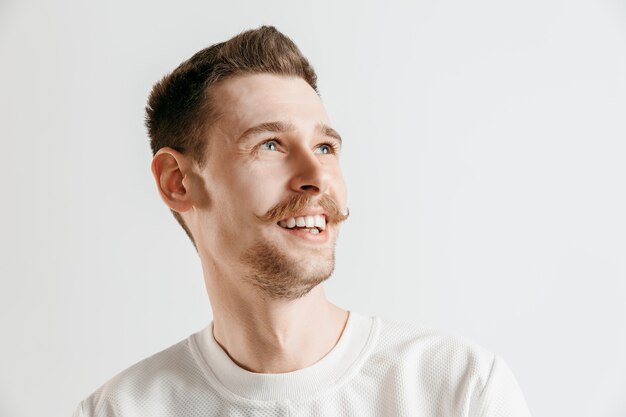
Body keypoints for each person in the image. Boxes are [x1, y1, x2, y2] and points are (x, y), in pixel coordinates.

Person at [72, 26, 532, 416]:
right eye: (270, 144)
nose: (317, 178)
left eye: (325, 148)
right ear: (177, 182)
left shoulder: (459, 389)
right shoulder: (121, 409)